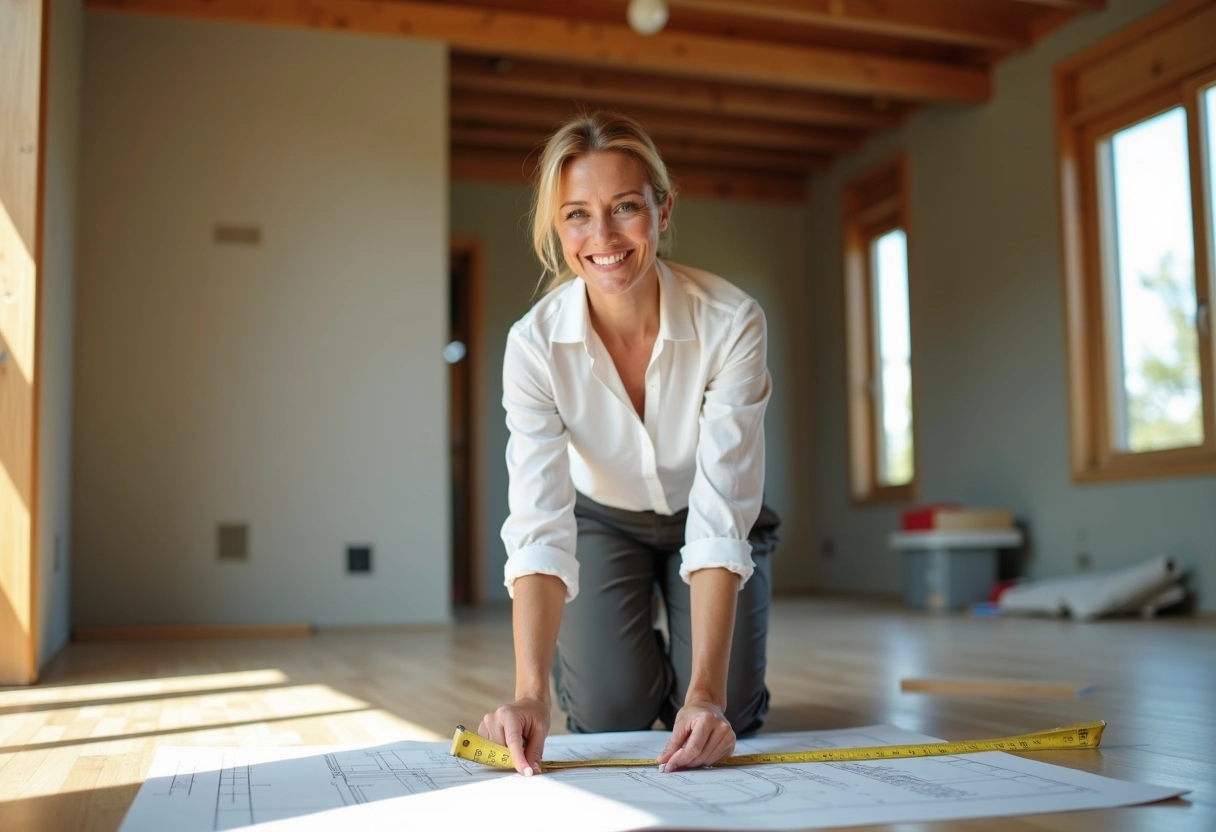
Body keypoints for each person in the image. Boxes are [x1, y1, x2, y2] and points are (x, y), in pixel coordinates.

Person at [478, 111, 779, 777]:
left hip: (707, 516)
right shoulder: (533, 346)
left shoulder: (732, 322)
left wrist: (704, 695)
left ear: (662, 210)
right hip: (602, 522)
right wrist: (530, 693)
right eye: (578, 215)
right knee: (606, 716)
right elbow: (538, 523)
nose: (603, 237)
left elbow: (722, 509)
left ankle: (682, 676)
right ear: (558, 228)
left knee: (735, 715)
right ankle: (629, 665)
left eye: (624, 208)